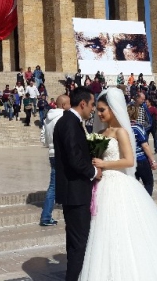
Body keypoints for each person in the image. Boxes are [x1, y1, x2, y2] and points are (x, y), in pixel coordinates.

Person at [78, 88, 157, 281]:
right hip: (103, 185)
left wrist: (104, 164)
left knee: (122, 229)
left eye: (102, 110)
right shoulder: (100, 132)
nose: (99, 114)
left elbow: (129, 161)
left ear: (114, 109)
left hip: (118, 184)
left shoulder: (121, 132)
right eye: (97, 109)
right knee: (105, 231)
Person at [54, 86, 102, 281]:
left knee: (75, 241)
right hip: (75, 193)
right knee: (79, 243)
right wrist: (93, 172)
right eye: (91, 105)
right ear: (83, 103)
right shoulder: (71, 123)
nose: (92, 109)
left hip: (72, 191)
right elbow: (74, 158)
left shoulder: (69, 121)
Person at [39, 94, 70, 227]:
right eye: (69, 103)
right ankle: (46, 216)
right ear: (63, 105)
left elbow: (44, 139)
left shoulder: (47, 118)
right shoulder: (64, 117)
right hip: (62, 154)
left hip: (52, 153)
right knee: (53, 186)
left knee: (57, 183)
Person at [128, 104, 157, 196]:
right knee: (148, 182)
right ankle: (147, 201)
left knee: (134, 184)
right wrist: (153, 160)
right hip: (141, 160)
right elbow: (145, 145)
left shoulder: (124, 128)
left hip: (130, 161)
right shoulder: (137, 127)